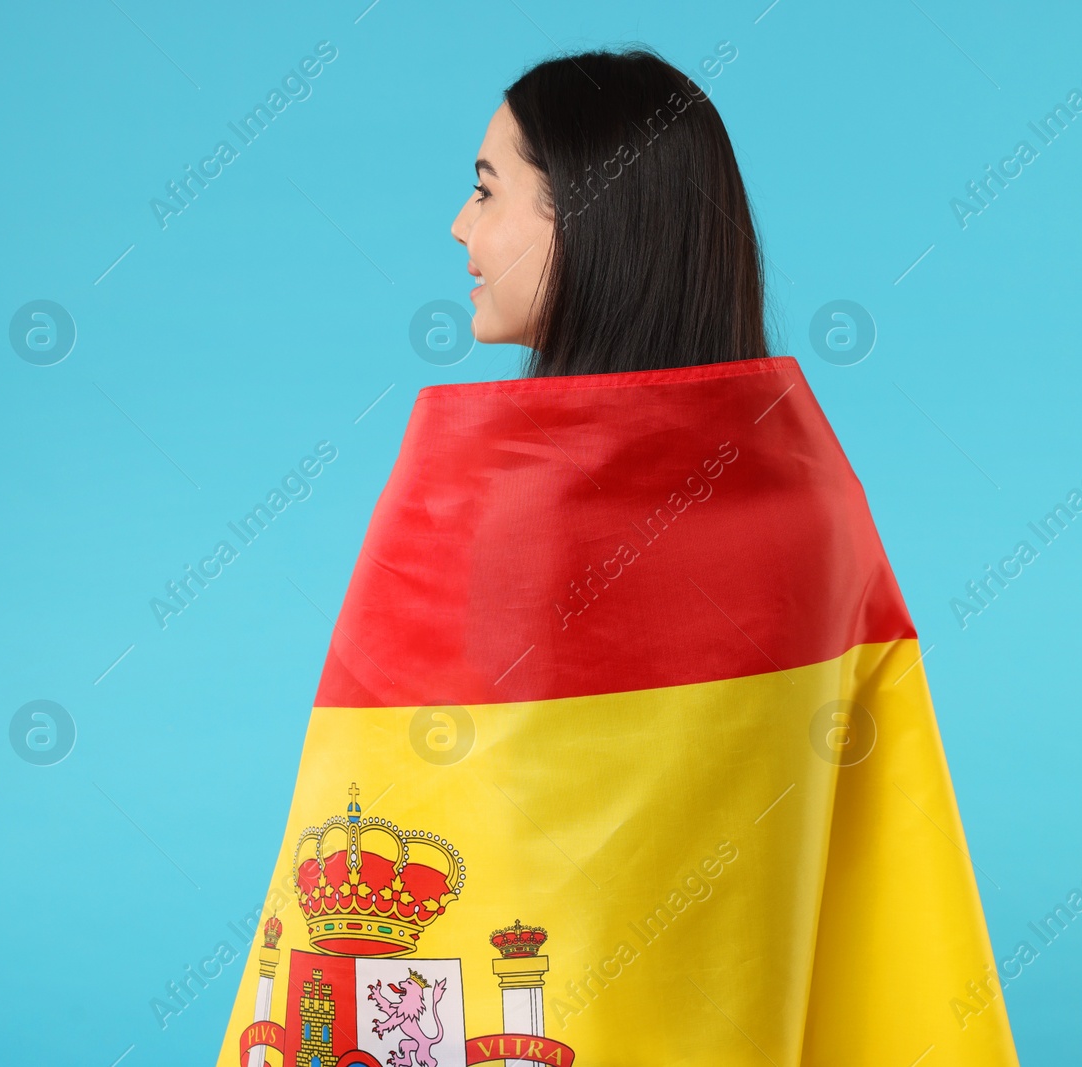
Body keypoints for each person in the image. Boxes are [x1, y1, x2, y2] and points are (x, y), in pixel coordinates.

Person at [215, 47, 1018, 1066]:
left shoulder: (482, 504)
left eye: (486, 188)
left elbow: (398, 797)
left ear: (583, 217)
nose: (460, 227)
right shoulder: (812, 499)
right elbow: (860, 853)